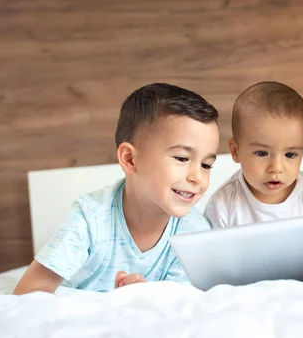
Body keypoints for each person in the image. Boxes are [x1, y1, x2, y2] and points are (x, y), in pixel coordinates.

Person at [13, 83, 220, 293]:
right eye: (182, 158)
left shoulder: (195, 232)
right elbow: (29, 292)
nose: (197, 177)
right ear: (130, 159)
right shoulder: (90, 217)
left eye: (206, 165)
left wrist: (142, 295)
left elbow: (180, 302)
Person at [204, 81, 303, 228]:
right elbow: (212, 249)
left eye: (290, 155)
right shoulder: (222, 205)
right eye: (262, 153)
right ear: (236, 151)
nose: (276, 168)